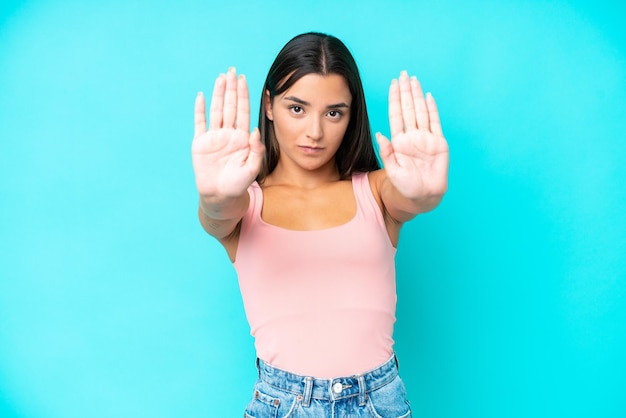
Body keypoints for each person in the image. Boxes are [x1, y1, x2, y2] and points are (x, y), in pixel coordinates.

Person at [192, 32, 448, 417]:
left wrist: (424, 193)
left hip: (377, 403)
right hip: (282, 404)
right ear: (270, 105)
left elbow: (412, 198)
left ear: (351, 116)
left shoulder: (376, 192)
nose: (315, 131)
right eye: (297, 108)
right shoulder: (245, 204)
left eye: (333, 112)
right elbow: (216, 213)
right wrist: (216, 195)